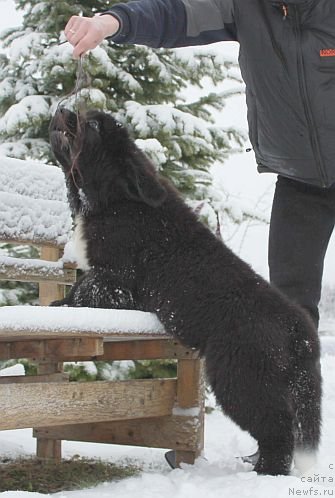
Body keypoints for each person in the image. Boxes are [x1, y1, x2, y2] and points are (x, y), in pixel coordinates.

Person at [64, 0, 335, 330]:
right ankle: (294, 382)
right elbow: (176, 15)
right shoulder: (245, 7)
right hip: (300, 182)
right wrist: (109, 23)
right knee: (291, 315)